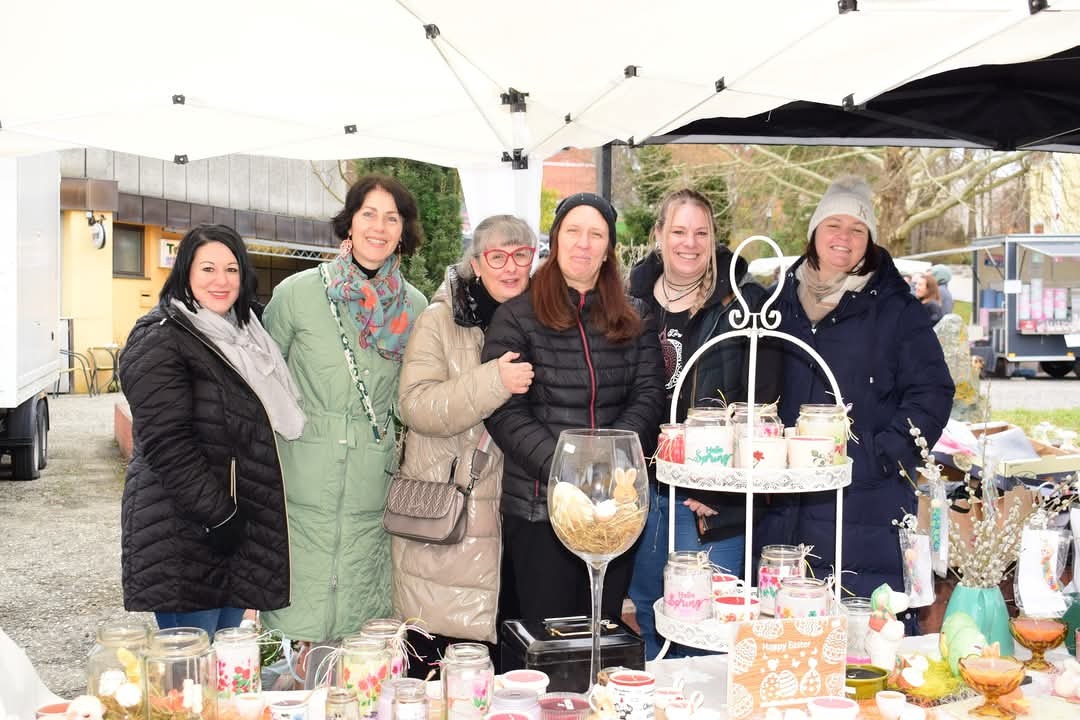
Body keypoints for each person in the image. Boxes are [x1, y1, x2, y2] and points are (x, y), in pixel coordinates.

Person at [755, 176, 953, 610]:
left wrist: (880, 453)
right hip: (784, 507)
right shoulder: (778, 303)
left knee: (861, 630)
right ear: (814, 231)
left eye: (857, 229)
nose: (843, 237)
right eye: (833, 224)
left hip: (865, 505)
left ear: (870, 240)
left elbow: (933, 392)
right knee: (784, 629)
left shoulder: (896, 310)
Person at [260, 175, 428, 684]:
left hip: (373, 484)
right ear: (349, 223)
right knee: (304, 616)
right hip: (303, 475)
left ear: (403, 232)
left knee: (363, 629)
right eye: (369, 213)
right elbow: (262, 381)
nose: (379, 227)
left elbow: (415, 395)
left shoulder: (416, 308)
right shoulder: (297, 293)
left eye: (392, 218)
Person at [481, 193, 666, 624]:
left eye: (596, 234)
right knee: (548, 638)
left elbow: (649, 396)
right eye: (573, 231)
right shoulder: (517, 316)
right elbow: (505, 412)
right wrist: (569, 470)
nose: (584, 243)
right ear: (556, 239)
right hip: (541, 509)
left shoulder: (636, 316)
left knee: (601, 630)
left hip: (614, 509)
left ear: (608, 249)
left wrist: (606, 467)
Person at [119, 224, 303, 638]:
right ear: (185, 272)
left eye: (231, 269)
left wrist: (232, 520)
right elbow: (167, 444)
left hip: (231, 530)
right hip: (186, 534)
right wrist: (219, 516)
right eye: (208, 268)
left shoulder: (247, 336)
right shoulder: (160, 338)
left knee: (223, 658)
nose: (221, 280)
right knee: (190, 666)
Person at [626, 188, 781, 659]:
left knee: (709, 625)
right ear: (658, 235)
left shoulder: (743, 304)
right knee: (650, 615)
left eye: (701, 232)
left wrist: (723, 487)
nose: (689, 243)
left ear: (714, 237)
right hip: (643, 492)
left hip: (706, 500)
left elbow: (763, 403)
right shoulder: (629, 301)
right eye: (678, 231)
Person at [393, 215, 536, 671]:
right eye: (497, 256)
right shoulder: (439, 320)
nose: (510, 267)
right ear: (476, 263)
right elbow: (415, 405)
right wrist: (494, 381)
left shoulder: (543, 318)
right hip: (451, 526)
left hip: (517, 520)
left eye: (520, 255)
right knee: (439, 677)